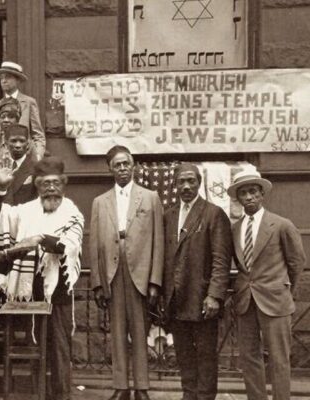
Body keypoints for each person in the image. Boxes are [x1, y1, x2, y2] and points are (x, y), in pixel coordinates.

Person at [0, 156, 84, 400]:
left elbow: (69, 244)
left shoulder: (71, 210)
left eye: (55, 183)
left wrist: (40, 239)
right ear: (37, 186)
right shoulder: (25, 211)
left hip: (59, 289)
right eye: (44, 183)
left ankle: (61, 395)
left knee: (60, 347)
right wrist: (0, 188)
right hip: (29, 290)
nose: (50, 188)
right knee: (33, 346)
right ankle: (36, 394)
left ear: (63, 184)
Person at [89, 145, 164, 400]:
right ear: (110, 169)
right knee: (118, 331)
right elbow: (95, 244)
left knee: (140, 331)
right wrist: (98, 283)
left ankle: (141, 387)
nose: (122, 168)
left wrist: (155, 280)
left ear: (134, 167)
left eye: (126, 164)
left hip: (140, 272)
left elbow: (158, 241)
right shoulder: (100, 202)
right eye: (117, 165)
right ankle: (121, 386)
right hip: (113, 270)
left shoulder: (150, 198)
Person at [228, 170, 306, 400]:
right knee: (249, 357)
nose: (249, 197)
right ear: (238, 199)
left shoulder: (281, 225)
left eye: (253, 191)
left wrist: (284, 290)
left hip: (275, 300)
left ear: (262, 194)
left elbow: (296, 262)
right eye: (243, 193)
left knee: (279, 358)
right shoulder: (235, 229)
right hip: (245, 301)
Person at [162, 163, 233, 400]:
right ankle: (188, 395)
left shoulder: (213, 214)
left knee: (205, 355)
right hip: (176, 299)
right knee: (184, 355)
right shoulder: (169, 215)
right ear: (174, 184)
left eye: (191, 181)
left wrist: (214, 295)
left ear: (199, 183)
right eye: (181, 181)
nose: (186, 186)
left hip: (202, 298)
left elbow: (221, 259)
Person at [0, 61, 45, 164]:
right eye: (2, 78)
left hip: (24, 157)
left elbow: (38, 135)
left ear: (18, 80)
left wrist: (37, 156)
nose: (4, 81)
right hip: (0, 160)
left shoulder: (28, 103)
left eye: (8, 77)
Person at [0, 124, 37, 206]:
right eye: (14, 141)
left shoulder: (36, 168)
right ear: (6, 142)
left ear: (28, 143)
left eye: (22, 141)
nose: (18, 145)